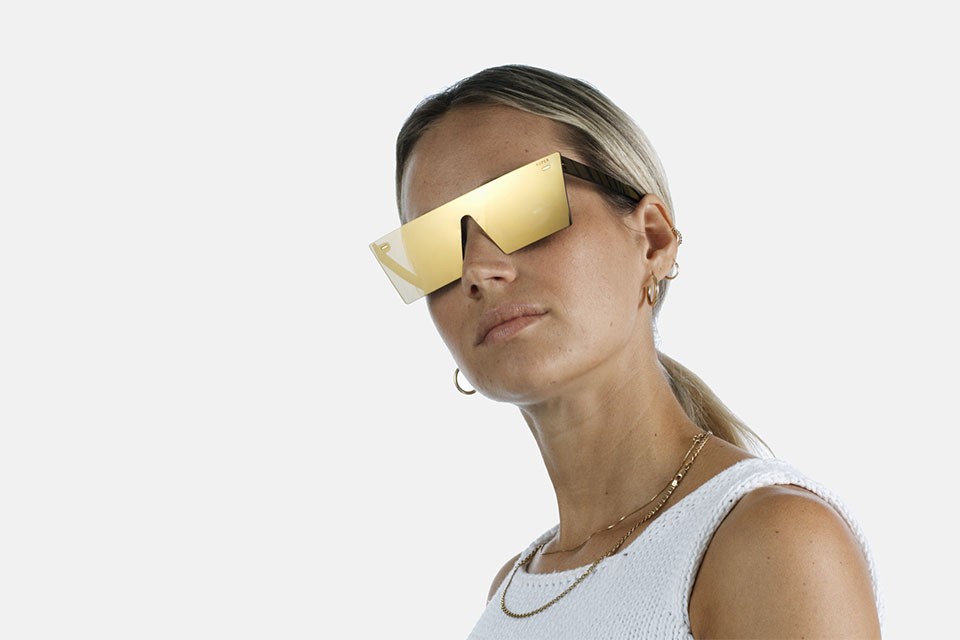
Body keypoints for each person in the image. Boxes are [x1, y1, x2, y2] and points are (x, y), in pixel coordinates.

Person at [369, 64, 882, 639]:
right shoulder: (512, 592)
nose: (477, 270)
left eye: (522, 208)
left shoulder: (769, 540)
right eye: (435, 247)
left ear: (653, 240)